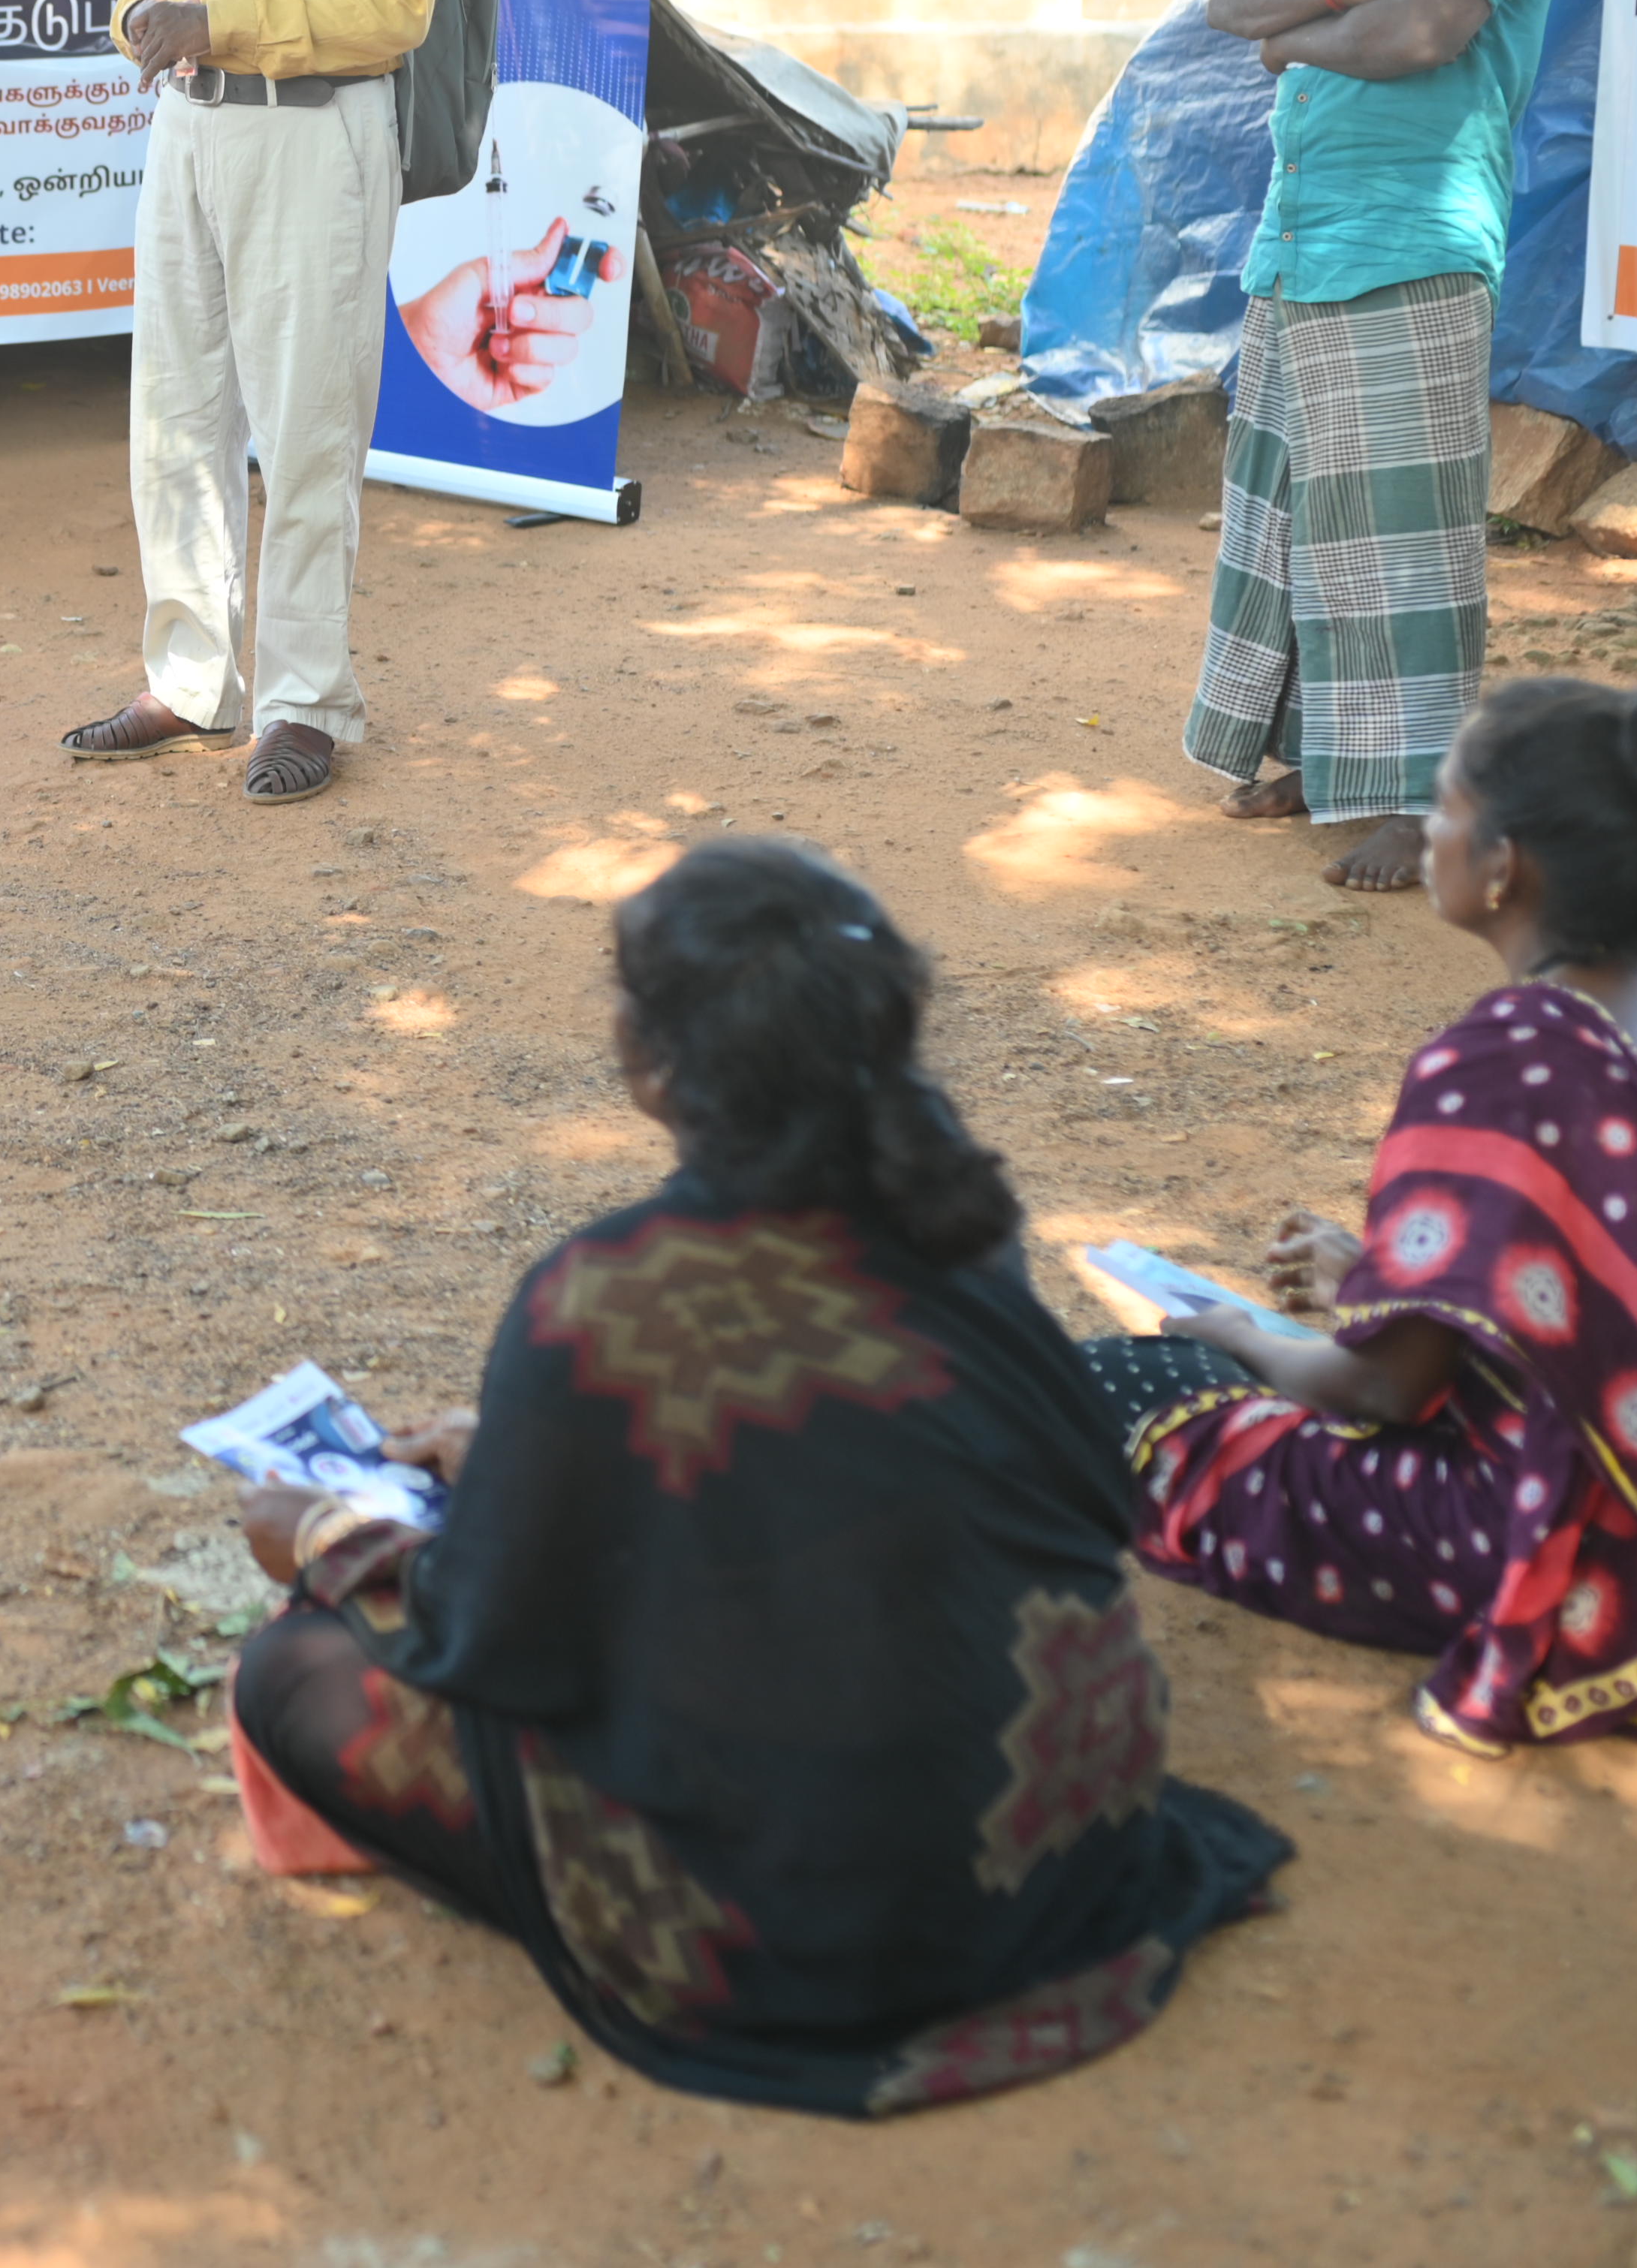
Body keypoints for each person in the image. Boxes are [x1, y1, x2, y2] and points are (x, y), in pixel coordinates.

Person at [227, 839, 1289, 2114]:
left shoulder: (600, 1304)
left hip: (805, 1931)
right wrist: (522, 1451)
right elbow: (924, 1470)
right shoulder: (957, 1217)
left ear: (650, 1061)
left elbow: (490, 1644)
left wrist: (328, 1534)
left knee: (290, 1672)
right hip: (1061, 1843)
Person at [1095, 682, 1637, 1753]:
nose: (1427, 832)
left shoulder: (1501, 1059)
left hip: (1583, 1554)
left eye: (1445, 805)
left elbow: (1381, 1390)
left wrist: (1245, 1339)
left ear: (1504, 863)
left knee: (1126, 1381)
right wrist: (1382, 1277)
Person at [1189, 0, 1583, 892]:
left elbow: (1426, 32)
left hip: (1413, 227)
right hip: (1304, 222)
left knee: (1403, 535)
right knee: (1301, 512)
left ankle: (1422, 806)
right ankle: (1323, 757)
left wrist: (1299, 32)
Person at [62, 0, 466, 811]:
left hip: (315, 137)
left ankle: (303, 702)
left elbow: (394, 10)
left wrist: (218, 23)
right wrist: (141, 14)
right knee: (176, 417)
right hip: (187, 131)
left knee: (304, 430)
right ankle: (190, 681)